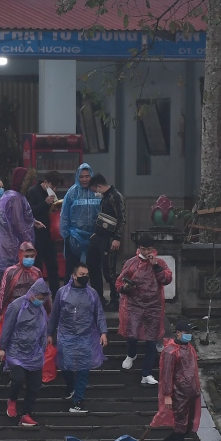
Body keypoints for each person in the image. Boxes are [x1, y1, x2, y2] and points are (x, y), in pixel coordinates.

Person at [48, 262, 107, 414]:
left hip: (86, 337)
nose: (85, 277)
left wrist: (103, 332)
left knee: (83, 369)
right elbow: (54, 314)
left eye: (86, 275)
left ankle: (78, 401)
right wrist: (49, 333)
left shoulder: (92, 293)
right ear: (73, 276)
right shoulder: (62, 293)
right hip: (66, 336)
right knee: (66, 366)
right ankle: (70, 386)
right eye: (82, 275)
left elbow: (99, 314)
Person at [115, 234, 172, 386]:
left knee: (151, 340)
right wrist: (126, 288)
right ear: (138, 248)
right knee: (132, 334)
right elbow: (119, 284)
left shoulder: (160, 263)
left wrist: (156, 266)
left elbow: (166, 279)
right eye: (143, 249)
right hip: (134, 306)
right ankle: (131, 354)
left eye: (149, 249)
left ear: (153, 249)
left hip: (154, 306)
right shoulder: (131, 263)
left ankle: (146, 374)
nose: (146, 252)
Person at [0, 278, 51, 427]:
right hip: (17, 351)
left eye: (42, 299)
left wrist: (43, 347)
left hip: (34, 352)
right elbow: (7, 327)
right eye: (39, 298)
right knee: (18, 378)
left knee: (35, 386)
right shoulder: (16, 306)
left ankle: (27, 413)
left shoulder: (40, 310)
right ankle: (12, 400)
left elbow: (43, 329)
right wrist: (2, 347)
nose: (40, 301)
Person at [151, 319, 202, 441]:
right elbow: (166, 374)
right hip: (179, 394)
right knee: (180, 426)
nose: (189, 334)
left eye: (190, 332)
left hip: (191, 392)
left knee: (188, 426)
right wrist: (168, 394)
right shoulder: (171, 351)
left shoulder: (189, 348)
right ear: (178, 333)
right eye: (187, 332)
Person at [87, 173, 125, 309]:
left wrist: (117, 238)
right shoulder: (105, 197)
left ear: (99, 186)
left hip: (109, 239)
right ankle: (99, 297)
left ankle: (115, 300)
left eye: (94, 190)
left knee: (109, 270)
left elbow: (121, 218)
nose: (95, 193)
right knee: (92, 265)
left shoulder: (115, 196)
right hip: (99, 237)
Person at [0, 167, 35, 280]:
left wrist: (33, 221)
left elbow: (11, 217)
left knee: (3, 277)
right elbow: (17, 222)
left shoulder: (8, 195)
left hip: (5, 245)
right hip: (13, 246)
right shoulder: (16, 198)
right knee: (11, 279)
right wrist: (28, 240)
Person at [60, 163, 101, 273]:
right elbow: (64, 215)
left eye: (87, 176)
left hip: (94, 237)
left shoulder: (97, 191)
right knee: (72, 270)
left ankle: (96, 291)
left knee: (95, 271)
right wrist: (67, 235)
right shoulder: (72, 192)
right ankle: (71, 290)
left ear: (91, 176)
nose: (84, 179)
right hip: (74, 237)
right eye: (81, 177)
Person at [26, 170, 63, 292]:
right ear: (46, 182)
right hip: (37, 235)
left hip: (50, 235)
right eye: (53, 186)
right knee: (37, 267)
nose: (55, 189)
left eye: (57, 187)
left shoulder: (54, 195)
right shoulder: (33, 192)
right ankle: (38, 294)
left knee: (53, 267)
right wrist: (45, 203)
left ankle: (56, 295)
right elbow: (29, 212)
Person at [0, 242, 46, 320]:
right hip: (15, 310)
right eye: (26, 256)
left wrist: (47, 311)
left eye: (32, 256)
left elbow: (43, 292)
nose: (29, 259)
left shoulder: (37, 272)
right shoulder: (10, 271)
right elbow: (3, 292)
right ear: (20, 255)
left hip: (32, 311)